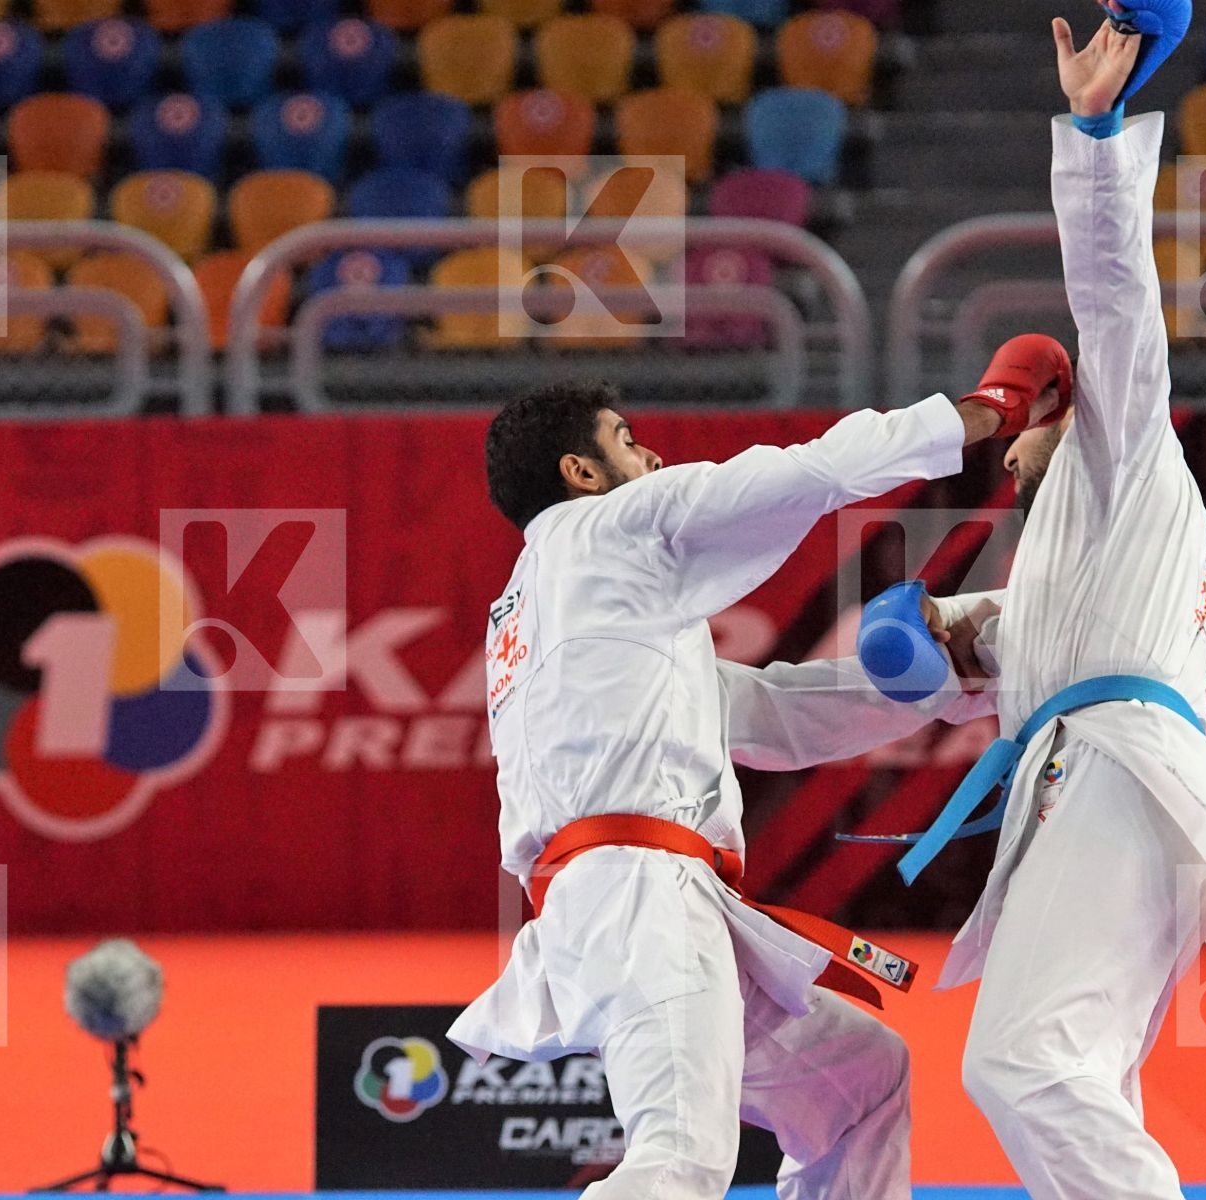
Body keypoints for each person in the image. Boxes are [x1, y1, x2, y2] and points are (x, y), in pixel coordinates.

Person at [448, 374, 1059, 1199]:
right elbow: (809, 471)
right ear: (581, 473)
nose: (651, 455)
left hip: (628, 902)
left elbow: (772, 714)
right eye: (626, 439)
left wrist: (944, 678)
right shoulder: (611, 528)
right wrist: (980, 414)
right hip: (638, 899)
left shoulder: (563, 605)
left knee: (860, 1084)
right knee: (680, 1160)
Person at [906, 13, 1206, 1198]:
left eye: (1014, 419)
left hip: (1116, 770)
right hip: (1099, 773)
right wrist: (932, 635)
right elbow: (996, 637)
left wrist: (1096, 130)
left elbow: (1115, 303)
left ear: (1065, 404)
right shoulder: (1071, 557)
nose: (1002, 445)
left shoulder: (1118, 449)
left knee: (1022, 1063)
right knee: (1078, 1075)